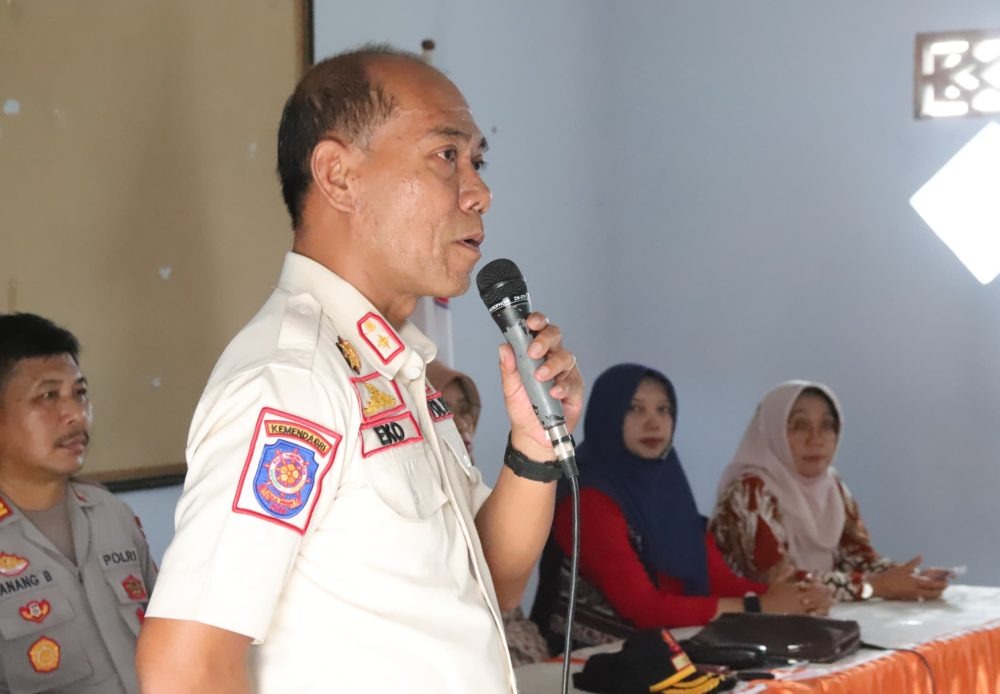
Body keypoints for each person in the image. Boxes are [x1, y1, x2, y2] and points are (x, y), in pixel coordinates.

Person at [135, 45, 583, 693]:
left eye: (477, 161)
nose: (480, 192)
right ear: (338, 176)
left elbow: (491, 583)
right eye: (446, 155)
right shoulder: (292, 378)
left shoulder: (391, 368)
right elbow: (184, 665)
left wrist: (534, 445)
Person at [531, 364, 832, 654]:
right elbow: (644, 608)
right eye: (635, 409)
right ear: (608, 415)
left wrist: (795, 596)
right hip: (589, 663)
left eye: (663, 410)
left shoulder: (666, 486)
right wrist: (759, 606)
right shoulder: (588, 498)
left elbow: (716, 579)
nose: (654, 423)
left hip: (665, 648)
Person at [0, 312, 156, 693]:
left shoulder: (111, 514)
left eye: (80, 393)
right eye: (49, 396)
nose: (75, 414)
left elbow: (166, 637)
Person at [710, 381, 949, 602]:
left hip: (815, 614)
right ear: (772, 432)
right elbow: (783, 582)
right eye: (799, 426)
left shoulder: (832, 486)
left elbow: (857, 557)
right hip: (751, 625)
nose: (816, 439)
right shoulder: (749, 491)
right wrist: (874, 587)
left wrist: (909, 577)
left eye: (826, 426)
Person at [425, 360, 550, 666]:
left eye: (464, 410)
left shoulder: (472, 490)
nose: (460, 423)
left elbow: (507, 602)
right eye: (441, 409)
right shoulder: (407, 502)